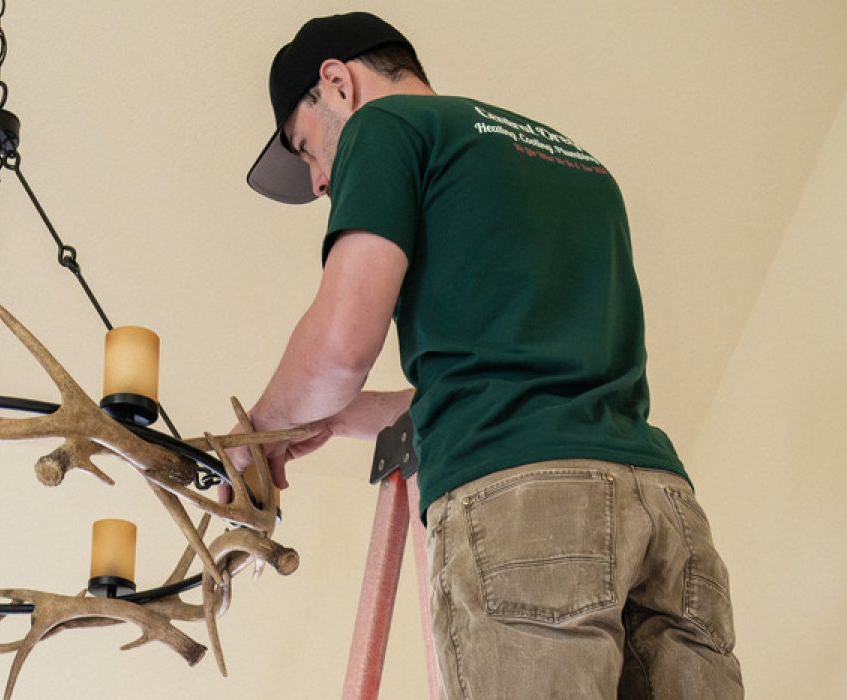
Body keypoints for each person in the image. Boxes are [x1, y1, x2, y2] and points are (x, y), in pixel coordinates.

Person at [236, 12, 743, 699]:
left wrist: (259, 430)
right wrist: (328, 420)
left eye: (305, 149)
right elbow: (504, 370)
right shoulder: (575, 161)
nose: (320, 180)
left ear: (337, 85)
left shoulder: (384, 130)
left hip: (531, 518)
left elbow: (339, 347)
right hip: (667, 513)